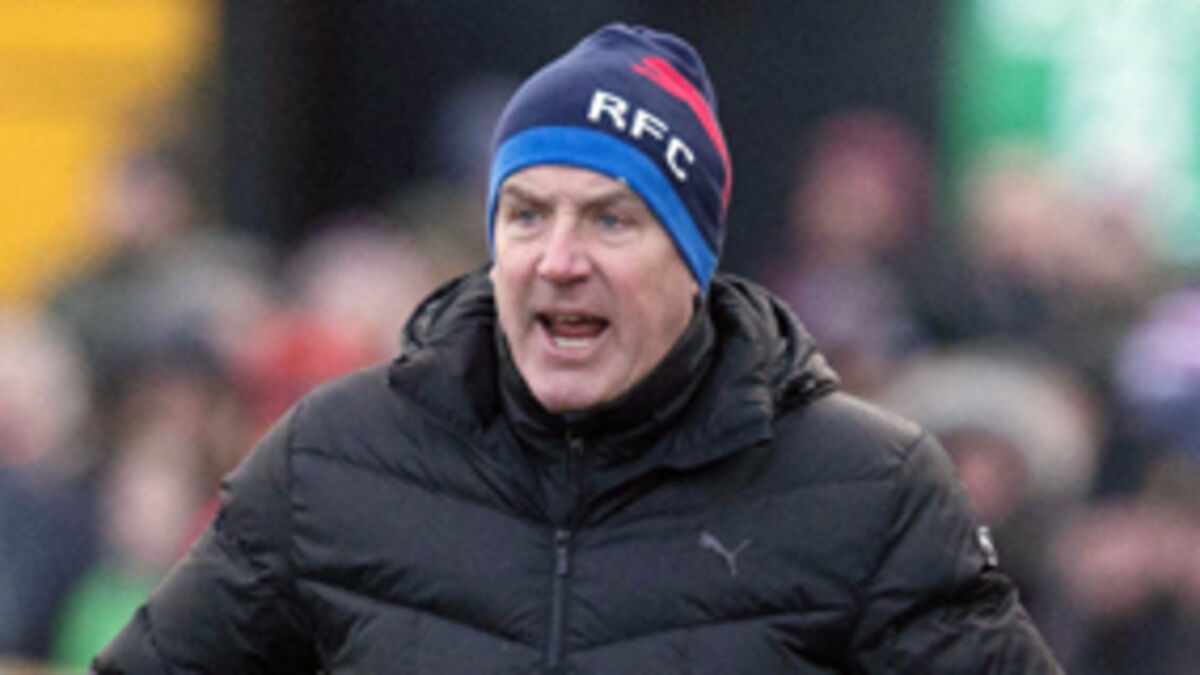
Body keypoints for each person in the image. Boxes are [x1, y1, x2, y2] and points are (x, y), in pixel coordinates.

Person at [94, 24, 1062, 673]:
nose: (558, 261)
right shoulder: (332, 458)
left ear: (693, 259)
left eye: (611, 219)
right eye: (526, 214)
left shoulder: (871, 491)